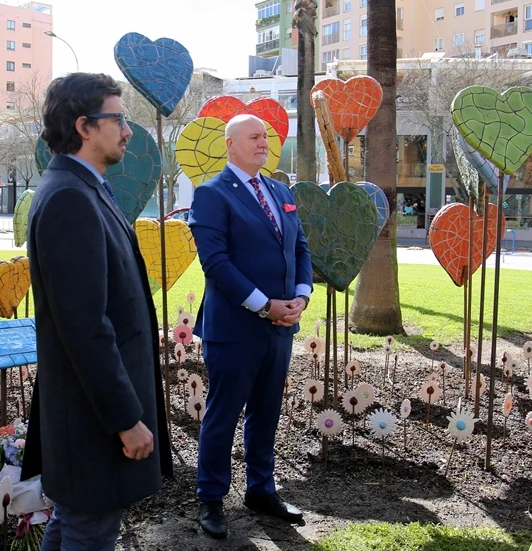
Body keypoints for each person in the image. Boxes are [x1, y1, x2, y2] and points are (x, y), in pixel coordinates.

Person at [19, 73, 172, 550]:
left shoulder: (84, 187)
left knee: (75, 524)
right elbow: (86, 327)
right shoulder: (69, 197)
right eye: (118, 120)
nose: (127, 131)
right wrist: (125, 419)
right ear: (84, 126)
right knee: (90, 530)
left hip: (88, 412)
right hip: (92, 419)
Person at [188, 114, 313, 539]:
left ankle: (261, 490)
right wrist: (265, 306)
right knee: (223, 415)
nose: (263, 143)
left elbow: (300, 247)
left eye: (266, 137)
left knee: (266, 412)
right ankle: (211, 499)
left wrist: (300, 296)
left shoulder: (280, 191)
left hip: (281, 327)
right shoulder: (211, 194)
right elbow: (216, 263)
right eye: (254, 137)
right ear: (231, 144)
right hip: (234, 329)